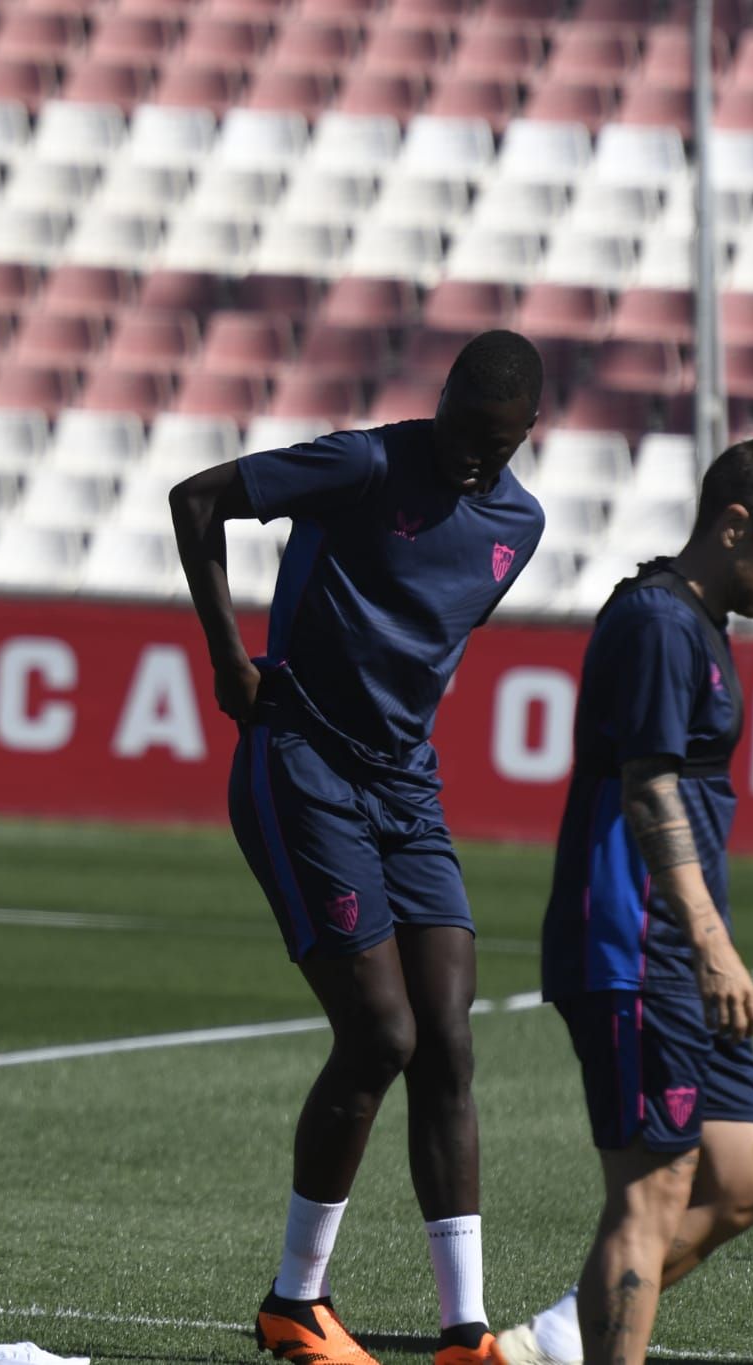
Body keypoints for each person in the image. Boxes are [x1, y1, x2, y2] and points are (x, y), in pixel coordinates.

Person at [169, 331, 548, 1365]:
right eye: (466, 433)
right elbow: (194, 499)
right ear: (442, 403)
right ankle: (294, 1302)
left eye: (500, 444)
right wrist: (224, 660)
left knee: (447, 1037)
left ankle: (463, 1330)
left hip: (404, 788)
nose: (477, 460)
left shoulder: (519, 522)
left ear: (526, 436)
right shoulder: (365, 462)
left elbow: (415, 639)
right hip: (299, 765)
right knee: (379, 1035)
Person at [494, 440, 753, 1365]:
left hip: (680, 945)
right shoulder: (657, 623)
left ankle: (562, 1334)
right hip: (635, 942)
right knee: (653, 1192)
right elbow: (647, 790)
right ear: (734, 526)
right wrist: (714, 944)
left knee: (746, 1176)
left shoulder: (699, 620)